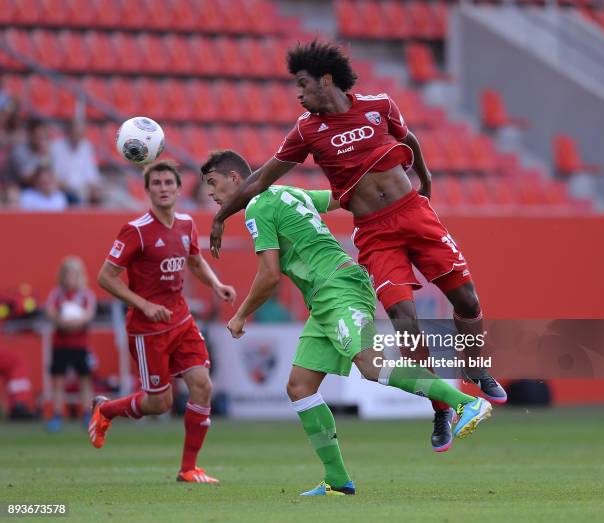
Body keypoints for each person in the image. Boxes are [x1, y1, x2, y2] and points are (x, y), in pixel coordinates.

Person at [209, 41, 506, 453]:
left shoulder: (379, 105)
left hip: (413, 213)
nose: (298, 93)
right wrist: (222, 216)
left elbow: (411, 140)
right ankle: (442, 407)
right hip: (374, 232)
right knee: (404, 318)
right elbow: (260, 179)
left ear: (325, 79)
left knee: (467, 300)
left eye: (302, 84)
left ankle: (476, 369)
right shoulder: (306, 130)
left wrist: (426, 178)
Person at [202, 150, 492, 496]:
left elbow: (269, 275)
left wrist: (239, 315)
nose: (211, 193)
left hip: (339, 289)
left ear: (237, 179)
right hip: (325, 297)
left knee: (371, 366)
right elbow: (342, 198)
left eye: (213, 183)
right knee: (299, 386)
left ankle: (466, 403)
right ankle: (337, 479)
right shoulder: (287, 192)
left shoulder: (256, 208)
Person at [92, 160, 236, 483]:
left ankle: (188, 468)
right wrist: (143, 304)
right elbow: (106, 277)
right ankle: (106, 410)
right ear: (147, 190)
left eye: (168, 183)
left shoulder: (186, 224)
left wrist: (216, 285)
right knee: (159, 403)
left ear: (177, 188)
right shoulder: (136, 230)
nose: (163, 188)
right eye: (156, 184)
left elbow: (195, 261)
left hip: (181, 320)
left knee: (203, 385)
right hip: (147, 330)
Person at [45, 256, 96, 431]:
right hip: (60, 344)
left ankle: (87, 415)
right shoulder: (56, 294)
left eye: (75, 274)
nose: (71, 278)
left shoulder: (86, 295)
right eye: (68, 274)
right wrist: (61, 320)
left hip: (80, 345)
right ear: (62, 276)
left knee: (85, 380)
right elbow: (50, 311)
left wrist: (78, 321)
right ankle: (58, 415)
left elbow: (89, 313)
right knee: (58, 381)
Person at [50, 119, 101, 205]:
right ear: (68, 132)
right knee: (76, 197)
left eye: (80, 134)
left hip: (83, 189)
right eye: (75, 133)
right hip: (64, 190)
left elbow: (92, 176)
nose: (77, 136)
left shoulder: (86, 147)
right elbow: (55, 176)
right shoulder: (56, 148)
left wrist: (94, 188)